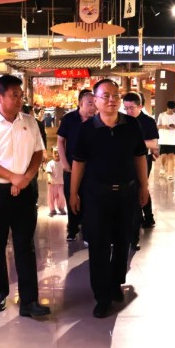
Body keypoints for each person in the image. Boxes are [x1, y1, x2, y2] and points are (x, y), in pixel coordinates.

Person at [0, 75, 50, 318]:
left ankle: (29, 301)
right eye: (14, 95)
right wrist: (12, 177)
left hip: (24, 190)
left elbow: (38, 152)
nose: (19, 99)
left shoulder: (30, 122)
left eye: (21, 95)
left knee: (25, 245)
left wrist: (25, 178)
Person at [70, 79, 149, 318]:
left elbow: (139, 157)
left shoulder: (132, 125)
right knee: (99, 244)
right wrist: (73, 192)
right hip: (96, 195)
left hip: (126, 193)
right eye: (106, 96)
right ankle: (102, 295)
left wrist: (144, 187)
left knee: (123, 241)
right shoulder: (87, 129)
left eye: (115, 95)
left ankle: (115, 283)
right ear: (95, 100)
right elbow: (79, 163)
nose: (112, 100)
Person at [57, 89, 97, 242]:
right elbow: (60, 141)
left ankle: (87, 230)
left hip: (91, 167)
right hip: (71, 166)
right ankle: (72, 228)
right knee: (71, 196)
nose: (93, 107)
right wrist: (64, 163)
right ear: (80, 103)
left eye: (95, 104)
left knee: (89, 198)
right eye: (90, 104)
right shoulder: (69, 119)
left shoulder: (97, 120)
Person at [123, 92, 159, 250]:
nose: (128, 111)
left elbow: (153, 144)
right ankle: (145, 218)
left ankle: (135, 233)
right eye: (126, 108)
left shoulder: (148, 121)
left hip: (143, 160)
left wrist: (133, 144)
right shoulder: (122, 120)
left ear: (140, 106)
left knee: (139, 188)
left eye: (132, 108)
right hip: (125, 161)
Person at [157, 100, 175, 180]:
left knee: (171, 156)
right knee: (163, 155)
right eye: (169, 108)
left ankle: (170, 174)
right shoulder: (161, 115)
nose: (171, 110)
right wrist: (164, 127)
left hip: (172, 139)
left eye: (172, 109)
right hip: (163, 139)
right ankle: (162, 166)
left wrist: (174, 126)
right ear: (167, 107)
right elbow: (157, 126)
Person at [45, 147, 67, 217]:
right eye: (55, 153)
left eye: (58, 153)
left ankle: (61, 207)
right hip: (52, 184)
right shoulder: (50, 163)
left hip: (61, 183)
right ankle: (52, 209)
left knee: (62, 197)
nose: (57, 154)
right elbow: (48, 172)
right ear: (52, 154)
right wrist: (49, 179)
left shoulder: (63, 163)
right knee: (51, 197)